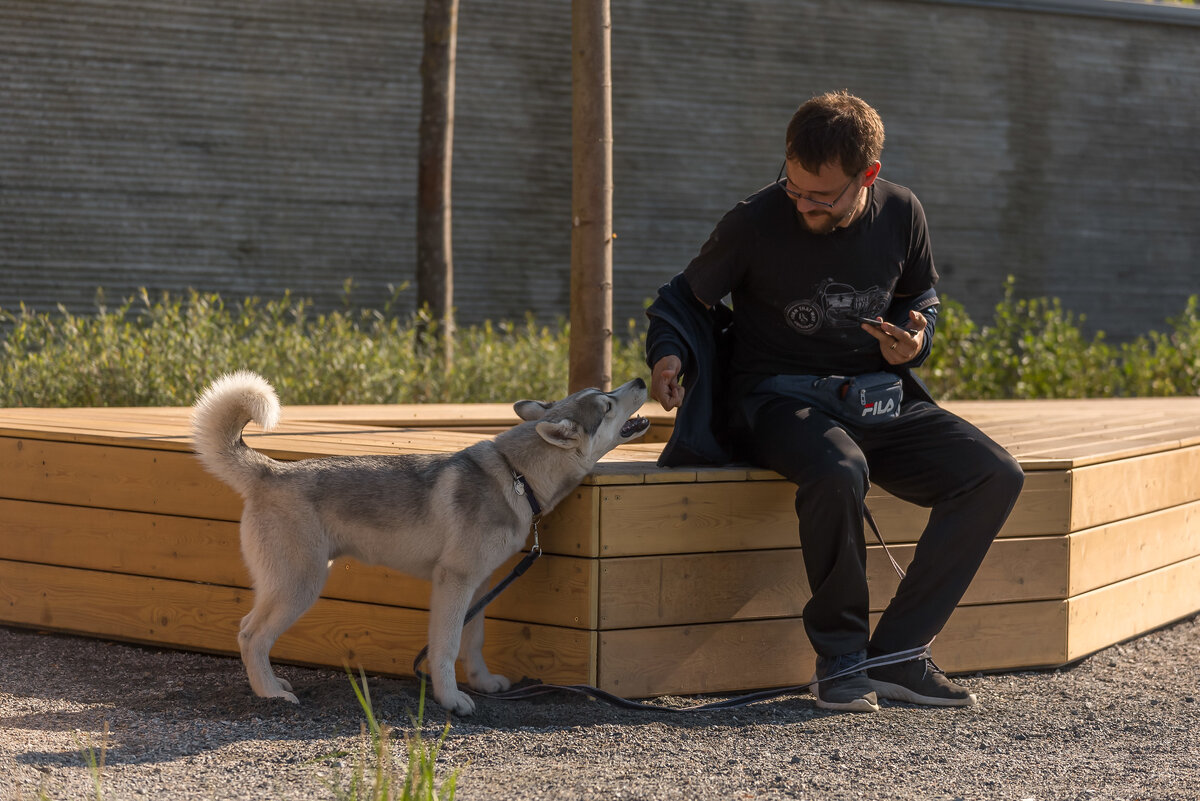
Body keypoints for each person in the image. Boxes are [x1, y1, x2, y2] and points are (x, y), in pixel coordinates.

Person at [645, 90, 1025, 713]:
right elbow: (682, 300)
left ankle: (899, 654)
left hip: (872, 395)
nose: (804, 205)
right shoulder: (755, 220)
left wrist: (914, 341)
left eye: (822, 196)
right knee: (839, 467)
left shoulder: (903, 212)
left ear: (867, 176)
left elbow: (920, 298)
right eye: (794, 187)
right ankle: (842, 659)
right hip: (773, 400)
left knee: (993, 475)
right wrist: (669, 356)